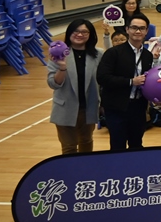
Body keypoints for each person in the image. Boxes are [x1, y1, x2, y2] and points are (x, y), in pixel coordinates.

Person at [96, 13, 154, 152]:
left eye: (142, 28)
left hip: (138, 106)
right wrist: (130, 82)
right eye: (134, 28)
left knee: (136, 144)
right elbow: (102, 77)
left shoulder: (148, 55)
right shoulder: (113, 53)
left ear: (146, 31)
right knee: (118, 146)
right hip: (116, 107)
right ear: (127, 29)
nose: (138, 31)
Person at [47, 19, 100, 155]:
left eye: (84, 32)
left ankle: (86, 167)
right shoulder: (58, 54)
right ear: (69, 33)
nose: (80, 34)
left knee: (86, 141)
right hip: (65, 107)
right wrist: (62, 67)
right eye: (76, 31)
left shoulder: (98, 54)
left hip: (88, 107)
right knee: (69, 146)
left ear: (90, 35)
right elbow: (53, 84)